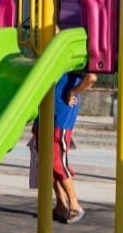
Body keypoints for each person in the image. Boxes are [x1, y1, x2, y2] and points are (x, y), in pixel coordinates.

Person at [31, 70, 98, 224]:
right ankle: (61, 204)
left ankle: (74, 204)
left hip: (60, 117)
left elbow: (91, 77)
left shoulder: (73, 60)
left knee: (56, 162)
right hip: (45, 113)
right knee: (45, 163)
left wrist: (74, 91)